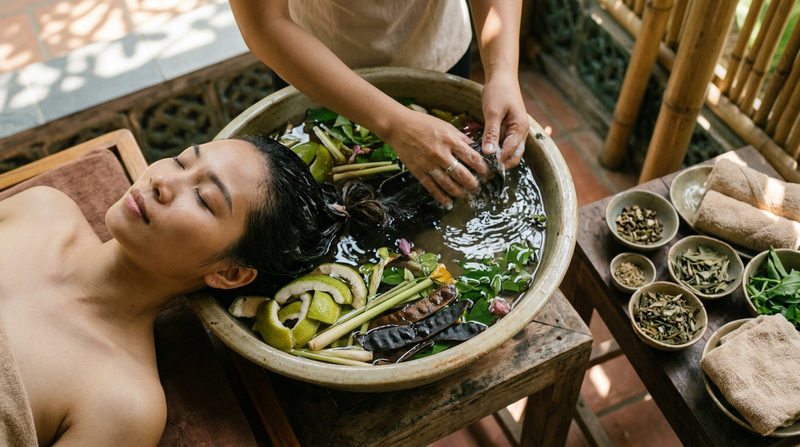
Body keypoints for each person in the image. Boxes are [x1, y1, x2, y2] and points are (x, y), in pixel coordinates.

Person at [0, 135, 379, 446]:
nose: (163, 181)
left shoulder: (123, 402)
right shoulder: (42, 210)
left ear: (229, 274)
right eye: (182, 161)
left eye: (203, 198)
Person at [229, 0, 529, 208]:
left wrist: (502, 71)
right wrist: (395, 125)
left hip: (438, 48)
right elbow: (264, 22)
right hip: (318, 72)